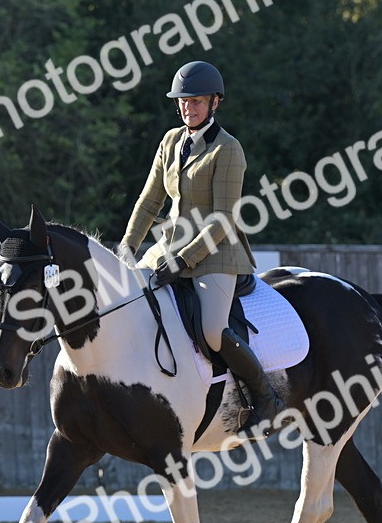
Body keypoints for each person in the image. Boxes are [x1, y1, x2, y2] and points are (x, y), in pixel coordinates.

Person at [118, 60, 284, 434]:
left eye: (195, 101)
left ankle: (266, 398)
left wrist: (184, 260)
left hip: (215, 253)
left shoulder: (228, 149)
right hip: (168, 248)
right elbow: (149, 202)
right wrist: (127, 247)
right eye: (182, 101)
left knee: (211, 329)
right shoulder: (170, 140)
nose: (187, 108)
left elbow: (222, 219)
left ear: (214, 103)